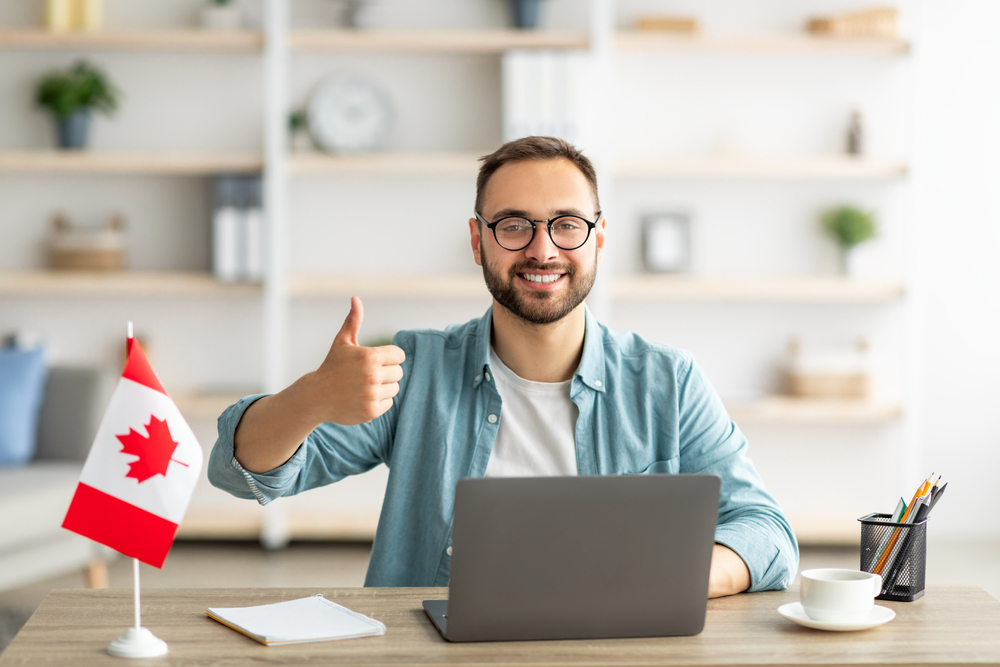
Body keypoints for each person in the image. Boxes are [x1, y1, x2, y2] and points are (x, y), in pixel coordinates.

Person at [209, 136, 798, 597]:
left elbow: (767, 533)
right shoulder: (418, 371)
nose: (542, 250)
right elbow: (242, 473)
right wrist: (311, 398)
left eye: (567, 224)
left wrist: (671, 576)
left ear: (597, 239)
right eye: (514, 225)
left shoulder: (668, 382)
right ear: (477, 240)